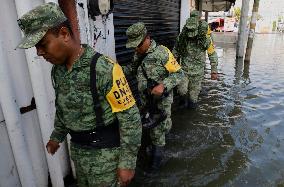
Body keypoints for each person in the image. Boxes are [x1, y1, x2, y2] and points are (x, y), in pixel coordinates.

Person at [16, 3, 142, 187]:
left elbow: (130, 119)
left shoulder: (104, 68)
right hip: (79, 155)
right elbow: (63, 108)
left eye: (43, 44)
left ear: (65, 34)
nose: (39, 52)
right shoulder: (58, 71)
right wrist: (56, 137)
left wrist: (128, 163)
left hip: (106, 160)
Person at [125, 22, 184, 170]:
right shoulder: (138, 54)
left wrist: (163, 85)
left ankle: (155, 166)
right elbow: (131, 70)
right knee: (158, 129)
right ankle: (162, 138)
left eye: (138, 44)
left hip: (161, 102)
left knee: (157, 131)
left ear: (147, 38)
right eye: (134, 46)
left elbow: (179, 73)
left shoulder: (162, 52)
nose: (136, 48)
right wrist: (114, 70)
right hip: (145, 101)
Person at [173, 10, 219, 109]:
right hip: (184, 70)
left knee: (193, 100)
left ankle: (190, 113)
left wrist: (214, 70)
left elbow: (212, 54)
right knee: (182, 90)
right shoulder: (183, 37)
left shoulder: (205, 39)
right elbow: (176, 51)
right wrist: (172, 67)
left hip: (198, 73)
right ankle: (182, 101)